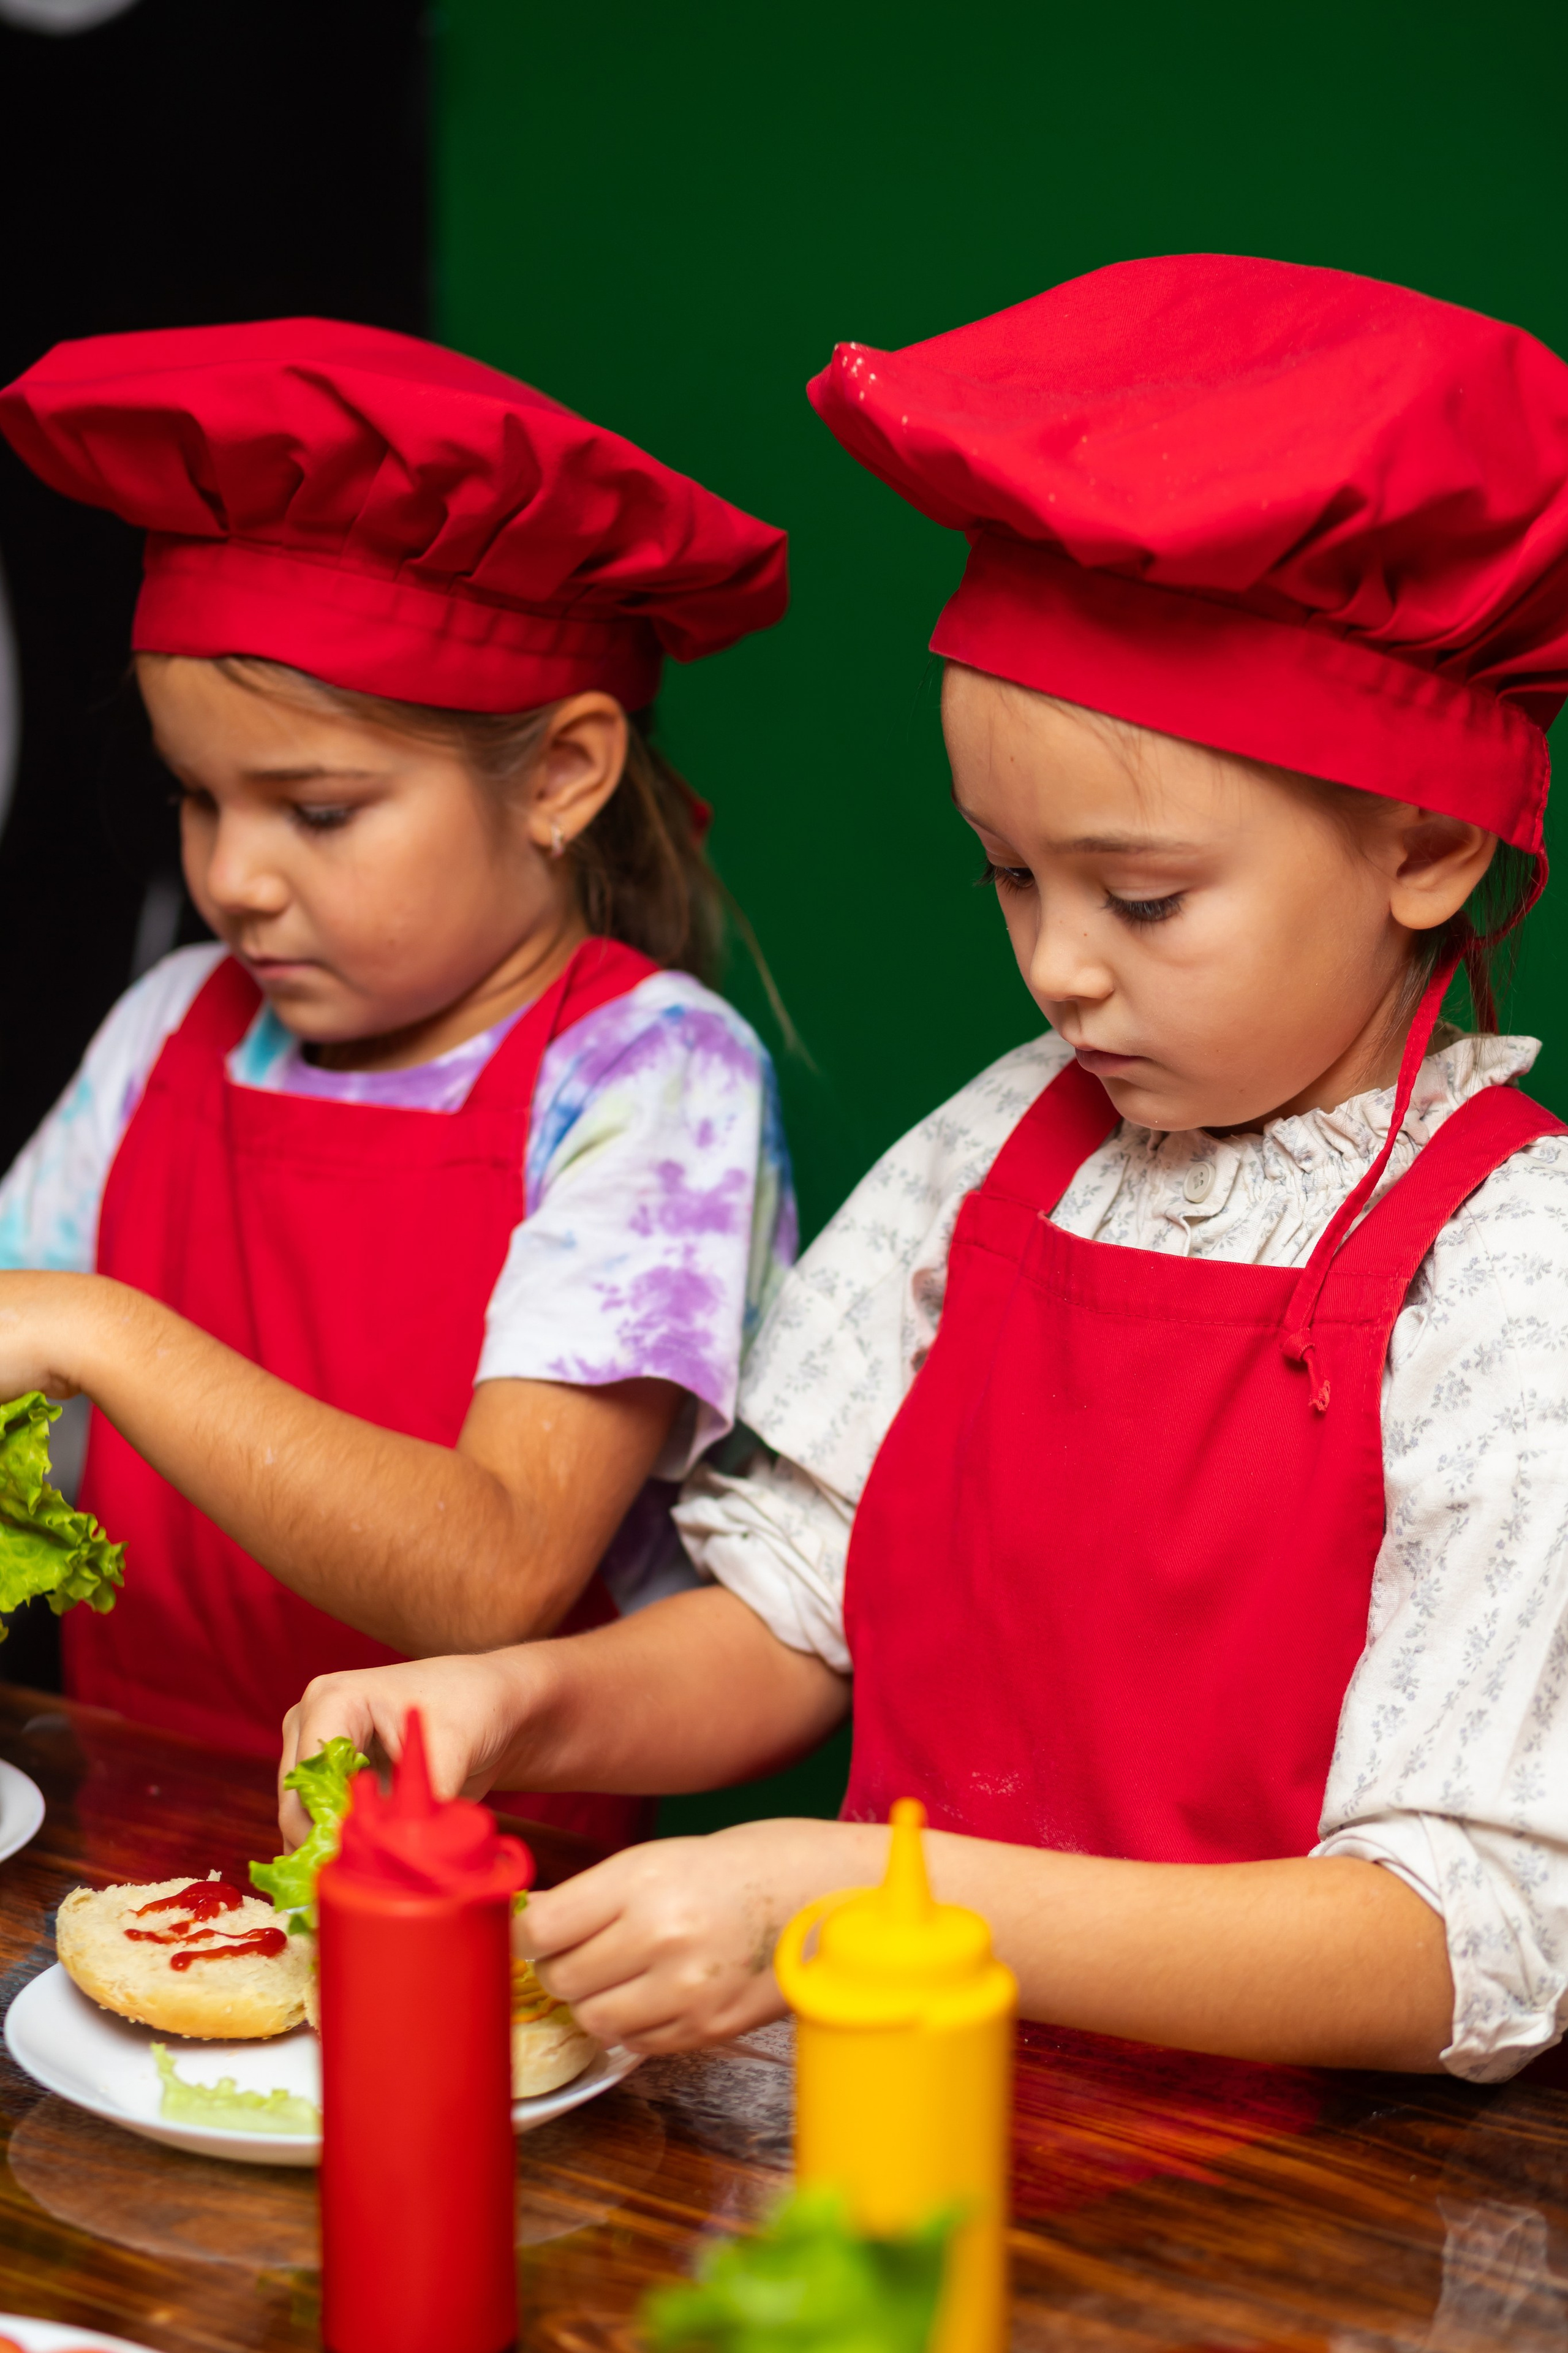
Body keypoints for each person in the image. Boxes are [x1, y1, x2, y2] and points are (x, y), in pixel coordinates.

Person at [281, 259, 1568, 2081]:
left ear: (1427, 844)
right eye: (1007, 876)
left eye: (1141, 897)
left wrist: (861, 1901)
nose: (1058, 966)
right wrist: (526, 1700)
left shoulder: (1517, 1280)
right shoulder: (1000, 1145)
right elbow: (806, 1609)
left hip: (1297, 2232)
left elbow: (1458, 1943)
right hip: (903, 2132)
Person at [0, 320, 795, 1846]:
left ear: (561, 774)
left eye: (318, 809)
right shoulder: (171, 1021)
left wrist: (96, 1329)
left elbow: (494, 1572)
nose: (234, 877)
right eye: (198, 797)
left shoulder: (649, 1074)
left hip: (492, 1908)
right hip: (139, 1829)